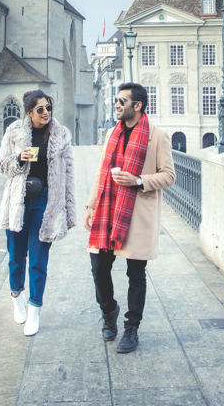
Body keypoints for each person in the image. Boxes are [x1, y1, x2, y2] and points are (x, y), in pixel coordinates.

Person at [84, 82, 175, 353]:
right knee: (99, 267)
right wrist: (91, 205)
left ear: (138, 105)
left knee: (136, 274)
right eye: (116, 100)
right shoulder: (112, 133)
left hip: (137, 212)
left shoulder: (157, 136)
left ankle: (131, 328)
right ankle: (109, 311)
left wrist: (137, 180)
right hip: (107, 209)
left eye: (121, 101)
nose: (116, 104)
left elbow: (169, 175)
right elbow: (102, 172)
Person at [0, 90, 77, 336]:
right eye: (40, 109)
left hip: (45, 201)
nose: (46, 113)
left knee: (39, 260)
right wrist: (19, 159)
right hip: (18, 200)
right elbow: (1, 166)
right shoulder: (14, 133)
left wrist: (70, 212)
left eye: (48, 107)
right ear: (29, 112)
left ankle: (34, 309)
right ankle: (16, 296)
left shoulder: (61, 134)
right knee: (16, 257)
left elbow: (69, 174)